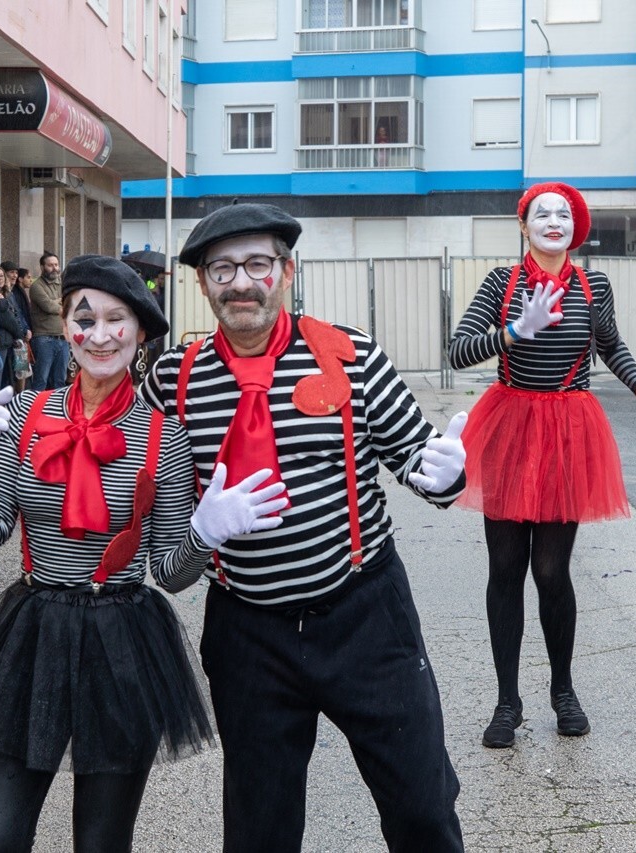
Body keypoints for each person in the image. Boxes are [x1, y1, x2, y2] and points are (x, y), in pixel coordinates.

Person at [0, 254, 286, 853]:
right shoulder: (27, 415)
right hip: (32, 632)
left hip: (121, 638)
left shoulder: (164, 436)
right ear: (66, 326)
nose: (100, 335)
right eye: (85, 319)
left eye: (116, 320)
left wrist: (205, 534)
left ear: (139, 333)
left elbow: (169, 572)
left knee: (103, 844)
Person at [139, 203, 469, 853]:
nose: (241, 282)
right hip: (247, 631)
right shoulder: (173, 380)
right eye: (222, 268)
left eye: (257, 264)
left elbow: (417, 458)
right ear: (202, 283)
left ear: (286, 271)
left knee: (422, 809)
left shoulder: (352, 355)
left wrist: (445, 476)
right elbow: (146, 524)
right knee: (258, 830)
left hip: (365, 616)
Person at [447, 182, 636, 750]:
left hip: (566, 432)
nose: (554, 221)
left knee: (551, 571)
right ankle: (507, 702)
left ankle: (563, 691)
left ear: (575, 227)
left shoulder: (592, 284)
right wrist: (516, 330)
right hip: (510, 427)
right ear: (524, 225)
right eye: (542, 213)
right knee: (505, 569)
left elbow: (609, 344)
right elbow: (457, 350)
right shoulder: (501, 283)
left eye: (564, 213)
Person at [28, 251, 68, 391]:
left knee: (60, 380)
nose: (54, 268)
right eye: (50, 265)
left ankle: (57, 404)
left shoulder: (62, 283)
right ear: (42, 267)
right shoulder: (36, 286)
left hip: (63, 338)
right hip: (44, 339)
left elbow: (69, 301)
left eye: (56, 265)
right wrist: (58, 303)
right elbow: (49, 306)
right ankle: (35, 404)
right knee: (41, 380)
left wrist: (57, 301)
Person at [0, 263, 26, 393]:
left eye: (2, 275)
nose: (0, 278)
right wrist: (19, 333)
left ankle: (17, 399)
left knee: (19, 373)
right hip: (1, 340)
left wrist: (23, 331)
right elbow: (7, 319)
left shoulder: (9, 294)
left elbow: (18, 314)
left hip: (13, 341)